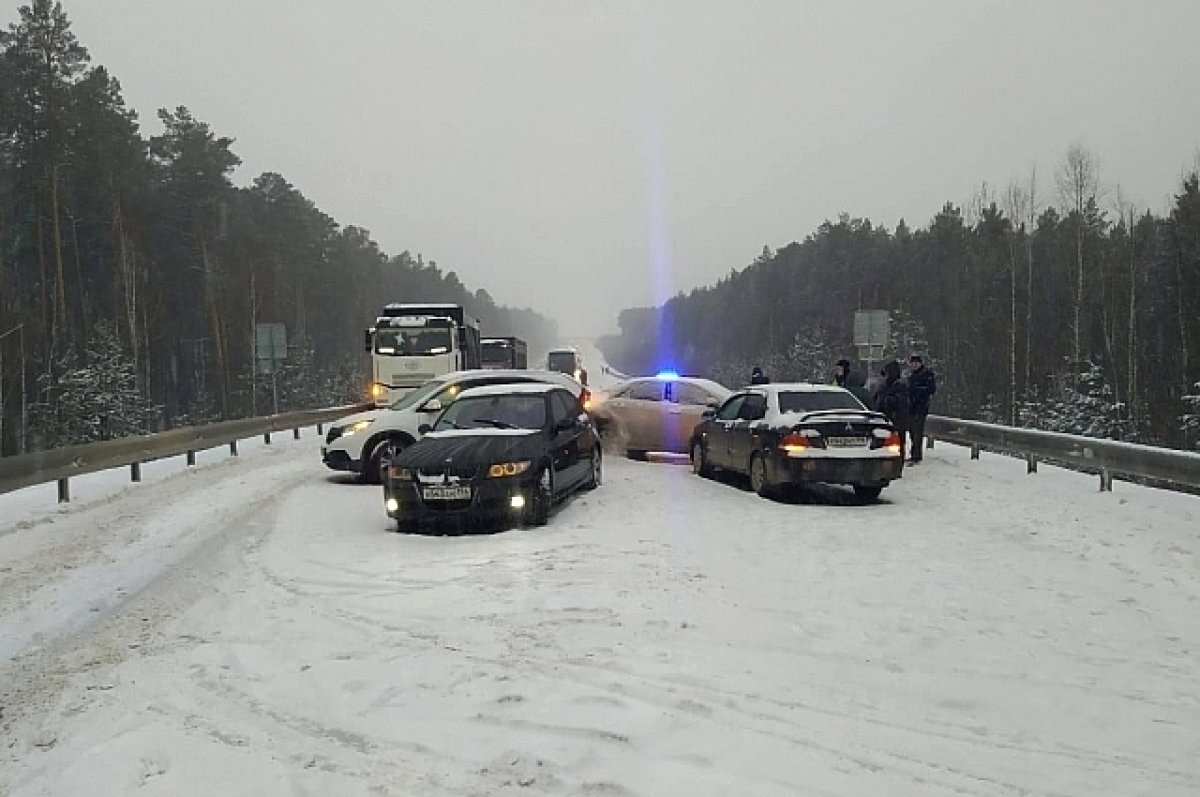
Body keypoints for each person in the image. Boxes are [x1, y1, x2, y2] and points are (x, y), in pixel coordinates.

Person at [874, 360, 910, 459]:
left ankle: (898, 460)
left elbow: (900, 402)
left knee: (898, 441)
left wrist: (887, 400)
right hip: (886, 417)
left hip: (895, 417)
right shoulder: (885, 385)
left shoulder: (899, 385)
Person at [906, 354, 937, 463]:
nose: (914, 365)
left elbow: (931, 389)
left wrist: (917, 390)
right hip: (911, 407)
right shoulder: (911, 376)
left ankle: (916, 455)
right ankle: (914, 452)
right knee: (912, 431)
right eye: (912, 363)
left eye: (916, 363)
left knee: (917, 431)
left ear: (920, 363)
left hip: (920, 407)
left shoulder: (926, 375)